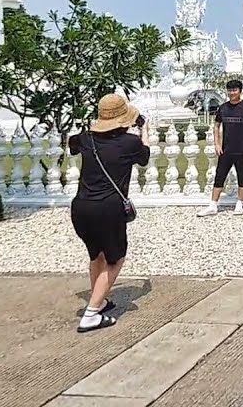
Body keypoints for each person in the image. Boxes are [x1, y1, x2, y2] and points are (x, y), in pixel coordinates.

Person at [68, 94, 150, 333]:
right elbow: (144, 157)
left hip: (81, 207)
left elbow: (71, 144)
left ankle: (99, 300)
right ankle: (91, 315)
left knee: (98, 256)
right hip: (108, 208)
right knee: (116, 259)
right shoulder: (129, 143)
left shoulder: (86, 139)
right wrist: (144, 130)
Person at [198, 79, 243, 217]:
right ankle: (213, 205)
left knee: (241, 176)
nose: (232, 93)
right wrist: (217, 143)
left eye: (235, 90)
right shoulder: (224, 108)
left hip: (241, 149)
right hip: (226, 149)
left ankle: (240, 203)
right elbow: (216, 125)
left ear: (240, 91)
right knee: (219, 176)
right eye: (230, 90)